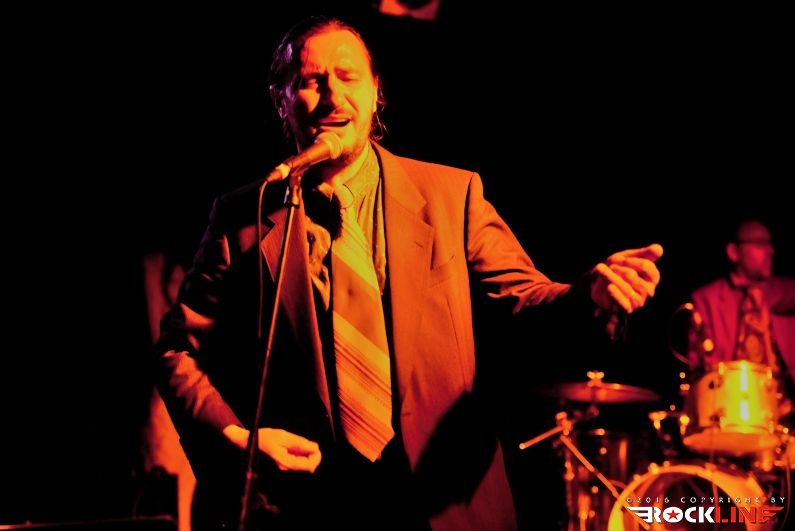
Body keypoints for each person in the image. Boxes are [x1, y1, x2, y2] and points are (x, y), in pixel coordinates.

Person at [153, 15, 663, 531]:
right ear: (280, 99)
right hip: (308, 510)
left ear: (376, 92)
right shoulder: (244, 217)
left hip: (446, 506)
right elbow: (177, 349)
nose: (332, 97)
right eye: (311, 81)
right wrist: (237, 437)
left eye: (348, 77)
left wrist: (589, 296)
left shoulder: (452, 197)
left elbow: (526, 299)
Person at [686, 219, 795, 457]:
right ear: (734, 252)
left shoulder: (788, 292)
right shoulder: (707, 299)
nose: (770, 251)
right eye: (760, 244)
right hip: (733, 419)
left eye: (769, 243)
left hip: (787, 416)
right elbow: (700, 367)